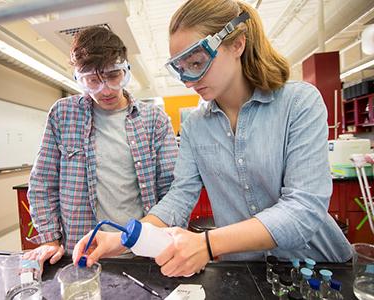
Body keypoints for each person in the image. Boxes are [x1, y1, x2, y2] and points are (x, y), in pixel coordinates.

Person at [73, 0, 353, 276]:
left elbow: (303, 209)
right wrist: (123, 238)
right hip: (246, 271)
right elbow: (179, 197)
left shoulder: (299, 103)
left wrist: (207, 244)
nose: (189, 79)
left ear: (237, 44)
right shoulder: (195, 126)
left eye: (196, 62)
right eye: (181, 68)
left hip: (321, 267)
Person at [27, 25, 178, 266]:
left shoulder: (154, 120)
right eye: (92, 80)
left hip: (139, 253)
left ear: (126, 70)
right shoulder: (62, 114)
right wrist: (50, 239)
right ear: (79, 79)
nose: (105, 90)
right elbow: (43, 182)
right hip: (80, 252)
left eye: (112, 76)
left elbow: (172, 189)